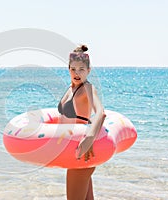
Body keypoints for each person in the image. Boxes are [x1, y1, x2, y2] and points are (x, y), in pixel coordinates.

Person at [58, 45, 106, 200]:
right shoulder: (70, 89)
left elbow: (100, 113)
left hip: (82, 148)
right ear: (68, 69)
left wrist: (90, 138)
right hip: (73, 150)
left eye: (81, 69)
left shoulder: (87, 88)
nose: (77, 73)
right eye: (73, 69)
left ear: (88, 71)